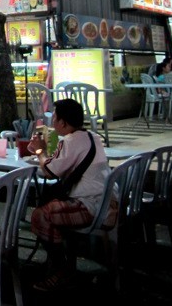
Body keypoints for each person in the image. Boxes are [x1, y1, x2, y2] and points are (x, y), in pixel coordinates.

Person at [28, 98, 112, 291]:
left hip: (91, 205)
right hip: (106, 201)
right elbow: (61, 163)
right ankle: (64, 264)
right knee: (52, 206)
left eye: (55, 118)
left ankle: (62, 269)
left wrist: (39, 150)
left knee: (40, 215)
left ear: (63, 122)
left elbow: (50, 172)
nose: (53, 122)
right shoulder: (91, 136)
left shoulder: (71, 140)